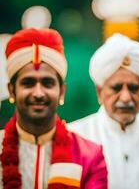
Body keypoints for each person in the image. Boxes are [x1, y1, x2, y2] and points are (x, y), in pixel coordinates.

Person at [0, 28, 107, 188]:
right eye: (28, 83)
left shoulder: (89, 155)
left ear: (61, 91)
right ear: (11, 90)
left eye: (47, 83)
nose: (38, 93)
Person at [68, 33, 139, 189]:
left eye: (133, 88)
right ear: (99, 92)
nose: (126, 97)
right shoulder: (75, 136)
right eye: (116, 88)